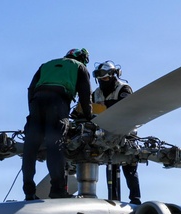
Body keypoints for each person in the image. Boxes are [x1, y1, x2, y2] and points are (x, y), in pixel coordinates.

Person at [21, 48, 92, 201]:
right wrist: (89, 117)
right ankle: (58, 190)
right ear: (83, 58)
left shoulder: (46, 65)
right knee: (55, 146)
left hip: (36, 103)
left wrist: (33, 111)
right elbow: (85, 94)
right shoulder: (79, 67)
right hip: (58, 103)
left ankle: (28, 191)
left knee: (30, 148)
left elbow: (31, 89)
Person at [90, 61, 141, 204]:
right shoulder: (96, 93)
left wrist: (104, 106)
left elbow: (126, 105)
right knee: (110, 167)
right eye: (100, 79)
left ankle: (135, 200)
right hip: (105, 133)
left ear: (113, 76)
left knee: (129, 167)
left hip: (125, 133)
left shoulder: (123, 88)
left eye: (105, 79)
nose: (102, 82)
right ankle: (113, 200)